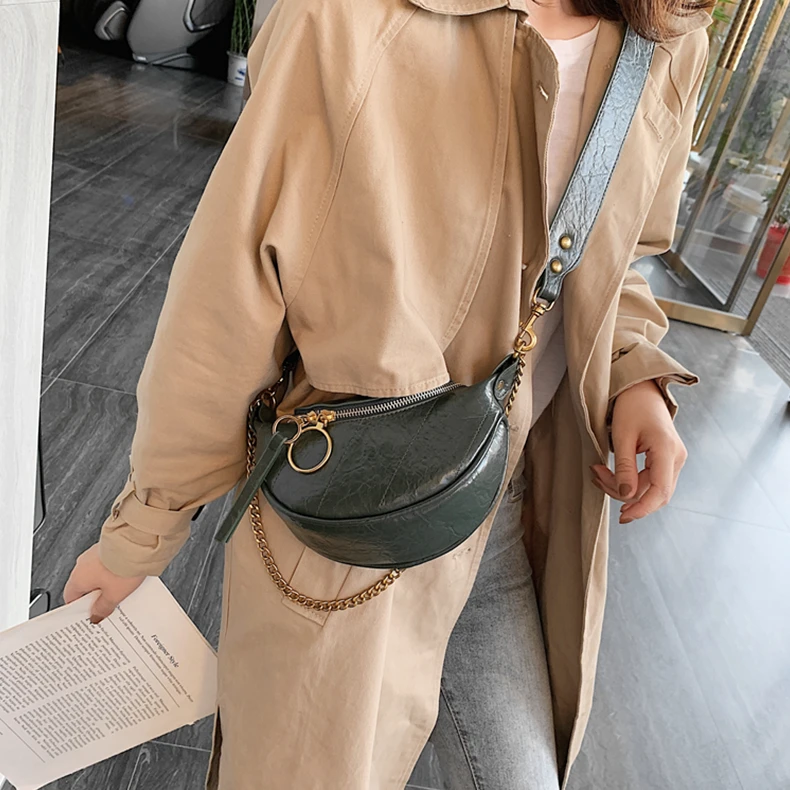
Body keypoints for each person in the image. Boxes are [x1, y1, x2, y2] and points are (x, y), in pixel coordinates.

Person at [64, 0, 712, 787]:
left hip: (510, 509)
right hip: (350, 520)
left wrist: (635, 370)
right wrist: (143, 532)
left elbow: (624, 255)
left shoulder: (665, 32)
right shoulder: (346, 17)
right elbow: (227, 303)